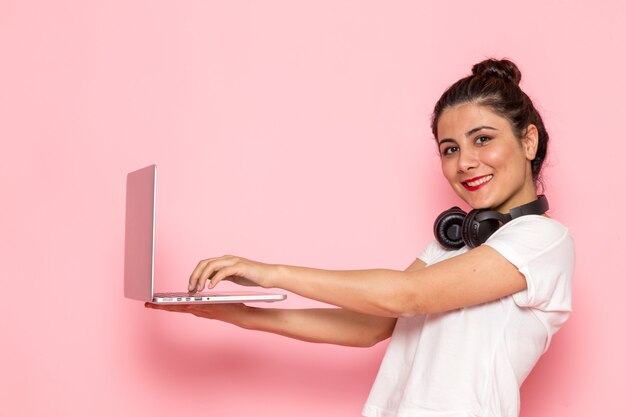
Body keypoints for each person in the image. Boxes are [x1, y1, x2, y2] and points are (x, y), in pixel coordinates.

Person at [146, 58, 575, 417]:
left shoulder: (541, 240)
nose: (465, 162)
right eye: (450, 149)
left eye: (482, 139)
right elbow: (371, 325)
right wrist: (237, 314)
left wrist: (271, 273)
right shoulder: (454, 244)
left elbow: (408, 295)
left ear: (529, 141)